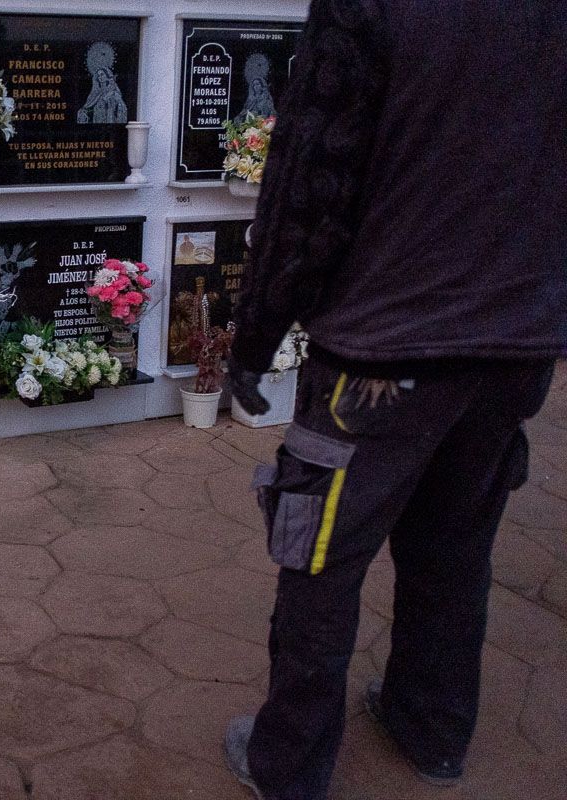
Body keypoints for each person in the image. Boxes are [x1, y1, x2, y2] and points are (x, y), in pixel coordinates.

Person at [221, 2, 566, 799]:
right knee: (454, 547)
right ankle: (431, 729)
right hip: (517, 343)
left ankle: (288, 766)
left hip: (380, 348)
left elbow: (310, 177)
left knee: (317, 557)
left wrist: (254, 336)